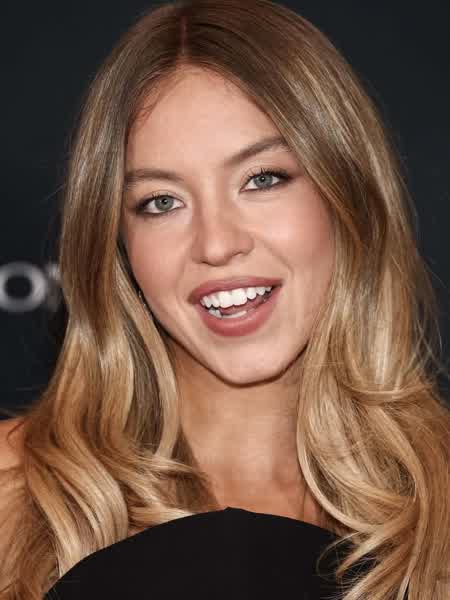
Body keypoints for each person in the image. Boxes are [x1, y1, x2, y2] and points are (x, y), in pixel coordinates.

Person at [1, 0, 449, 598]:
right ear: (117, 243)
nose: (216, 244)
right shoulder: (13, 496)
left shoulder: (439, 502)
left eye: (262, 179)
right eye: (161, 202)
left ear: (347, 193)